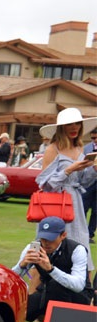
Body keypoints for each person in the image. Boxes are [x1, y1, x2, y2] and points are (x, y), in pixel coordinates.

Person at [36, 107, 97, 269]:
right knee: (48, 247)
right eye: (70, 124)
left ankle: (82, 289)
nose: (74, 127)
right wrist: (69, 169)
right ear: (61, 127)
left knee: (80, 244)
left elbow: (83, 182)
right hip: (55, 205)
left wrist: (93, 170)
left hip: (76, 204)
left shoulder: (79, 148)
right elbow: (45, 184)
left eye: (77, 123)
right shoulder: (52, 149)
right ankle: (37, 291)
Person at [11, 217, 93, 322]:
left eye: (51, 238)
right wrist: (22, 265)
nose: (46, 243)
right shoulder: (33, 248)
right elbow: (10, 279)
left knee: (56, 286)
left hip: (78, 296)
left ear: (63, 235)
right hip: (47, 290)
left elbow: (78, 286)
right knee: (22, 309)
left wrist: (51, 270)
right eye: (43, 238)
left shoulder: (77, 250)